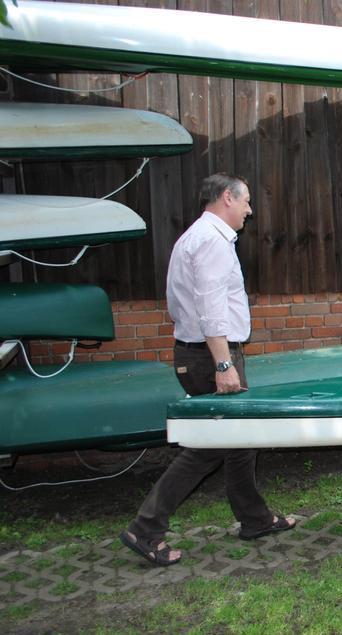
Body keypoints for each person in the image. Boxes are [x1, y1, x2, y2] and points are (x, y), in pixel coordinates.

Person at [120, 173, 295, 566]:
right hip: (210, 355)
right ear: (226, 198)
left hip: (199, 352)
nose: (250, 210)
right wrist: (224, 363)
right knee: (209, 446)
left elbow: (179, 305)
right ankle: (145, 528)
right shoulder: (212, 243)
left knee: (241, 439)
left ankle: (254, 519)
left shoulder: (195, 238)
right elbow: (212, 310)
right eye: (246, 201)